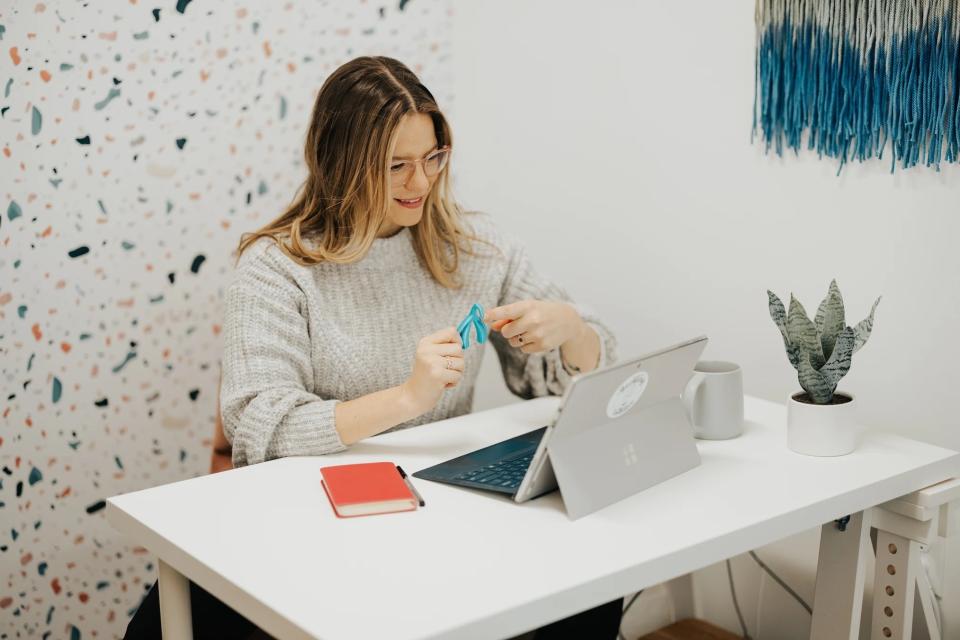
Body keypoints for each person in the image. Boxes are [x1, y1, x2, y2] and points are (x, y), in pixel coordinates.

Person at [125, 55, 622, 640]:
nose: (422, 182)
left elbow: (571, 378)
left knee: (593, 578)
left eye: (433, 157)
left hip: (432, 521)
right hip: (310, 532)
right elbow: (257, 427)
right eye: (397, 166)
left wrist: (573, 333)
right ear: (341, 166)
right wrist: (406, 398)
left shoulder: (475, 246)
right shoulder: (277, 269)